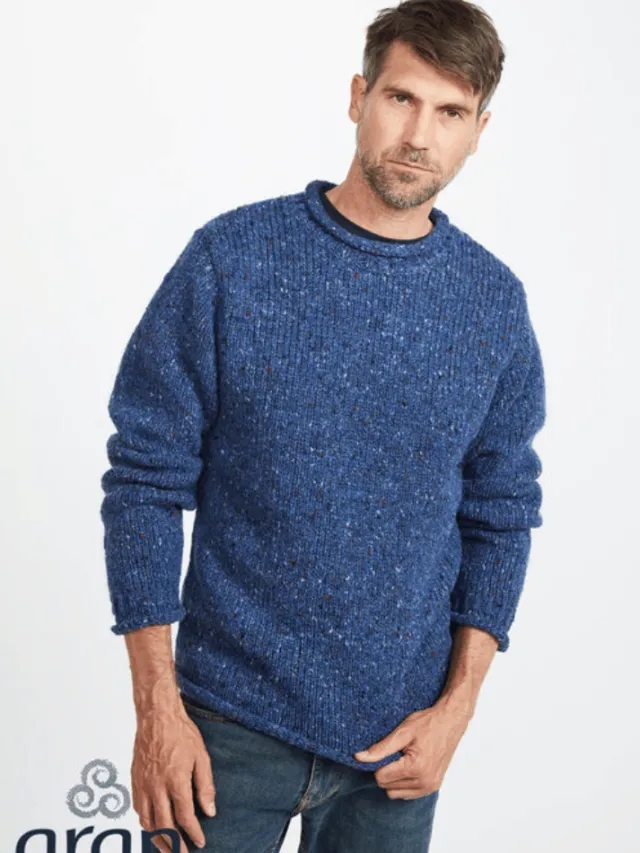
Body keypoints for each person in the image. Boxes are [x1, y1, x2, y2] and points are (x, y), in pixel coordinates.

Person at [99, 1, 546, 851]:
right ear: (357, 96)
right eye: (401, 98)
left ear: (479, 132)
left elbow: (500, 515)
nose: (418, 135)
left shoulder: (492, 304)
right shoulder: (232, 261)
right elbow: (144, 481)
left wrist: (457, 710)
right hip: (223, 732)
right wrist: (157, 708)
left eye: (450, 112)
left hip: (399, 750)